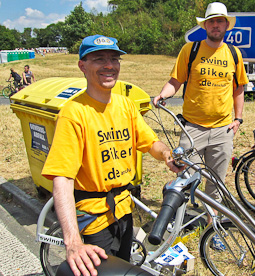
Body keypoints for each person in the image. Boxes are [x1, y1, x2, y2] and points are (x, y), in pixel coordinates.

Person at [42, 34, 182, 276]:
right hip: (93, 216)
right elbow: (62, 178)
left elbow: (150, 143)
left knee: (124, 267)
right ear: (82, 66)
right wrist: (73, 242)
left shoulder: (125, 105)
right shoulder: (73, 114)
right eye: (99, 59)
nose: (109, 65)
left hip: (123, 209)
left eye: (114, 58)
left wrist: (167, 154)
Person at [153, 2, 248, 224]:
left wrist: (238, 119)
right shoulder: (191, 50)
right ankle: (177, 222)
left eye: (220, 21)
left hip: (222, 130)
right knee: (185, 176)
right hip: (192, 129)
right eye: (212, 21)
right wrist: (162, 95)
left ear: (226, 25)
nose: (216, 25)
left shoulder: (234, 54)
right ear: (205, 25)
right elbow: (176, 80)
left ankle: (212, 223)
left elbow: (239, 88)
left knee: (216, 181)